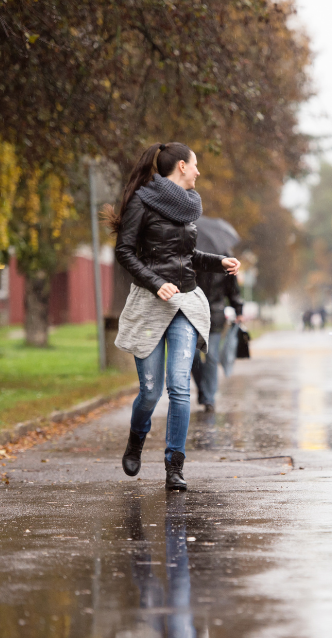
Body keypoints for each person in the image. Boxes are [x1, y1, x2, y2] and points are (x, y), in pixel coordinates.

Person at [108, 141, 240, 491]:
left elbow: (183, 255)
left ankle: (174, 466)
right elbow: (124, 251)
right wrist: (155, 283)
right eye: (195, 165)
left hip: (184, 303)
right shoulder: (141, 201)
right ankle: (137, 440)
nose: (198, 172)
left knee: (180, 387)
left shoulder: (189, 206)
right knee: (150, 393)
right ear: (181, 166)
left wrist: (217, 262)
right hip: (150, 304)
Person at [191, 267, 244, 414]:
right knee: (193, 356)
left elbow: (233, 289)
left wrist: (238, 310)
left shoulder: (225, 260)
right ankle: (204, 389)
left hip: (215, 315)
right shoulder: (192, 256)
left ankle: (209, 399)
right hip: (192, 314)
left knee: (211, 355)